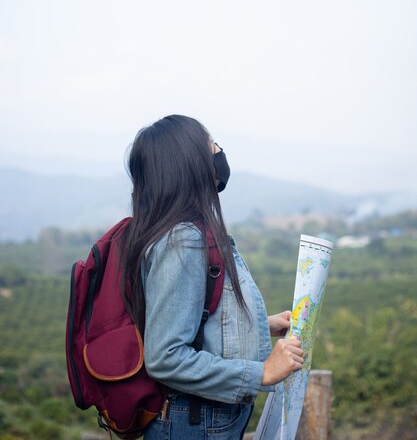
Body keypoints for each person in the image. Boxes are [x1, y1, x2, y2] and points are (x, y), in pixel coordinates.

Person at [119, 115, 304, 440]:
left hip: (200, 420)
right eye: (212, 145)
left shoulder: (185, 232)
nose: (219, 152)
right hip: (193, 423)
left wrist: (262, 325)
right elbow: (165, 357)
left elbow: (195, 319)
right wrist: (262, 372)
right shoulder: (182, 241)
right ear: (189, 163)